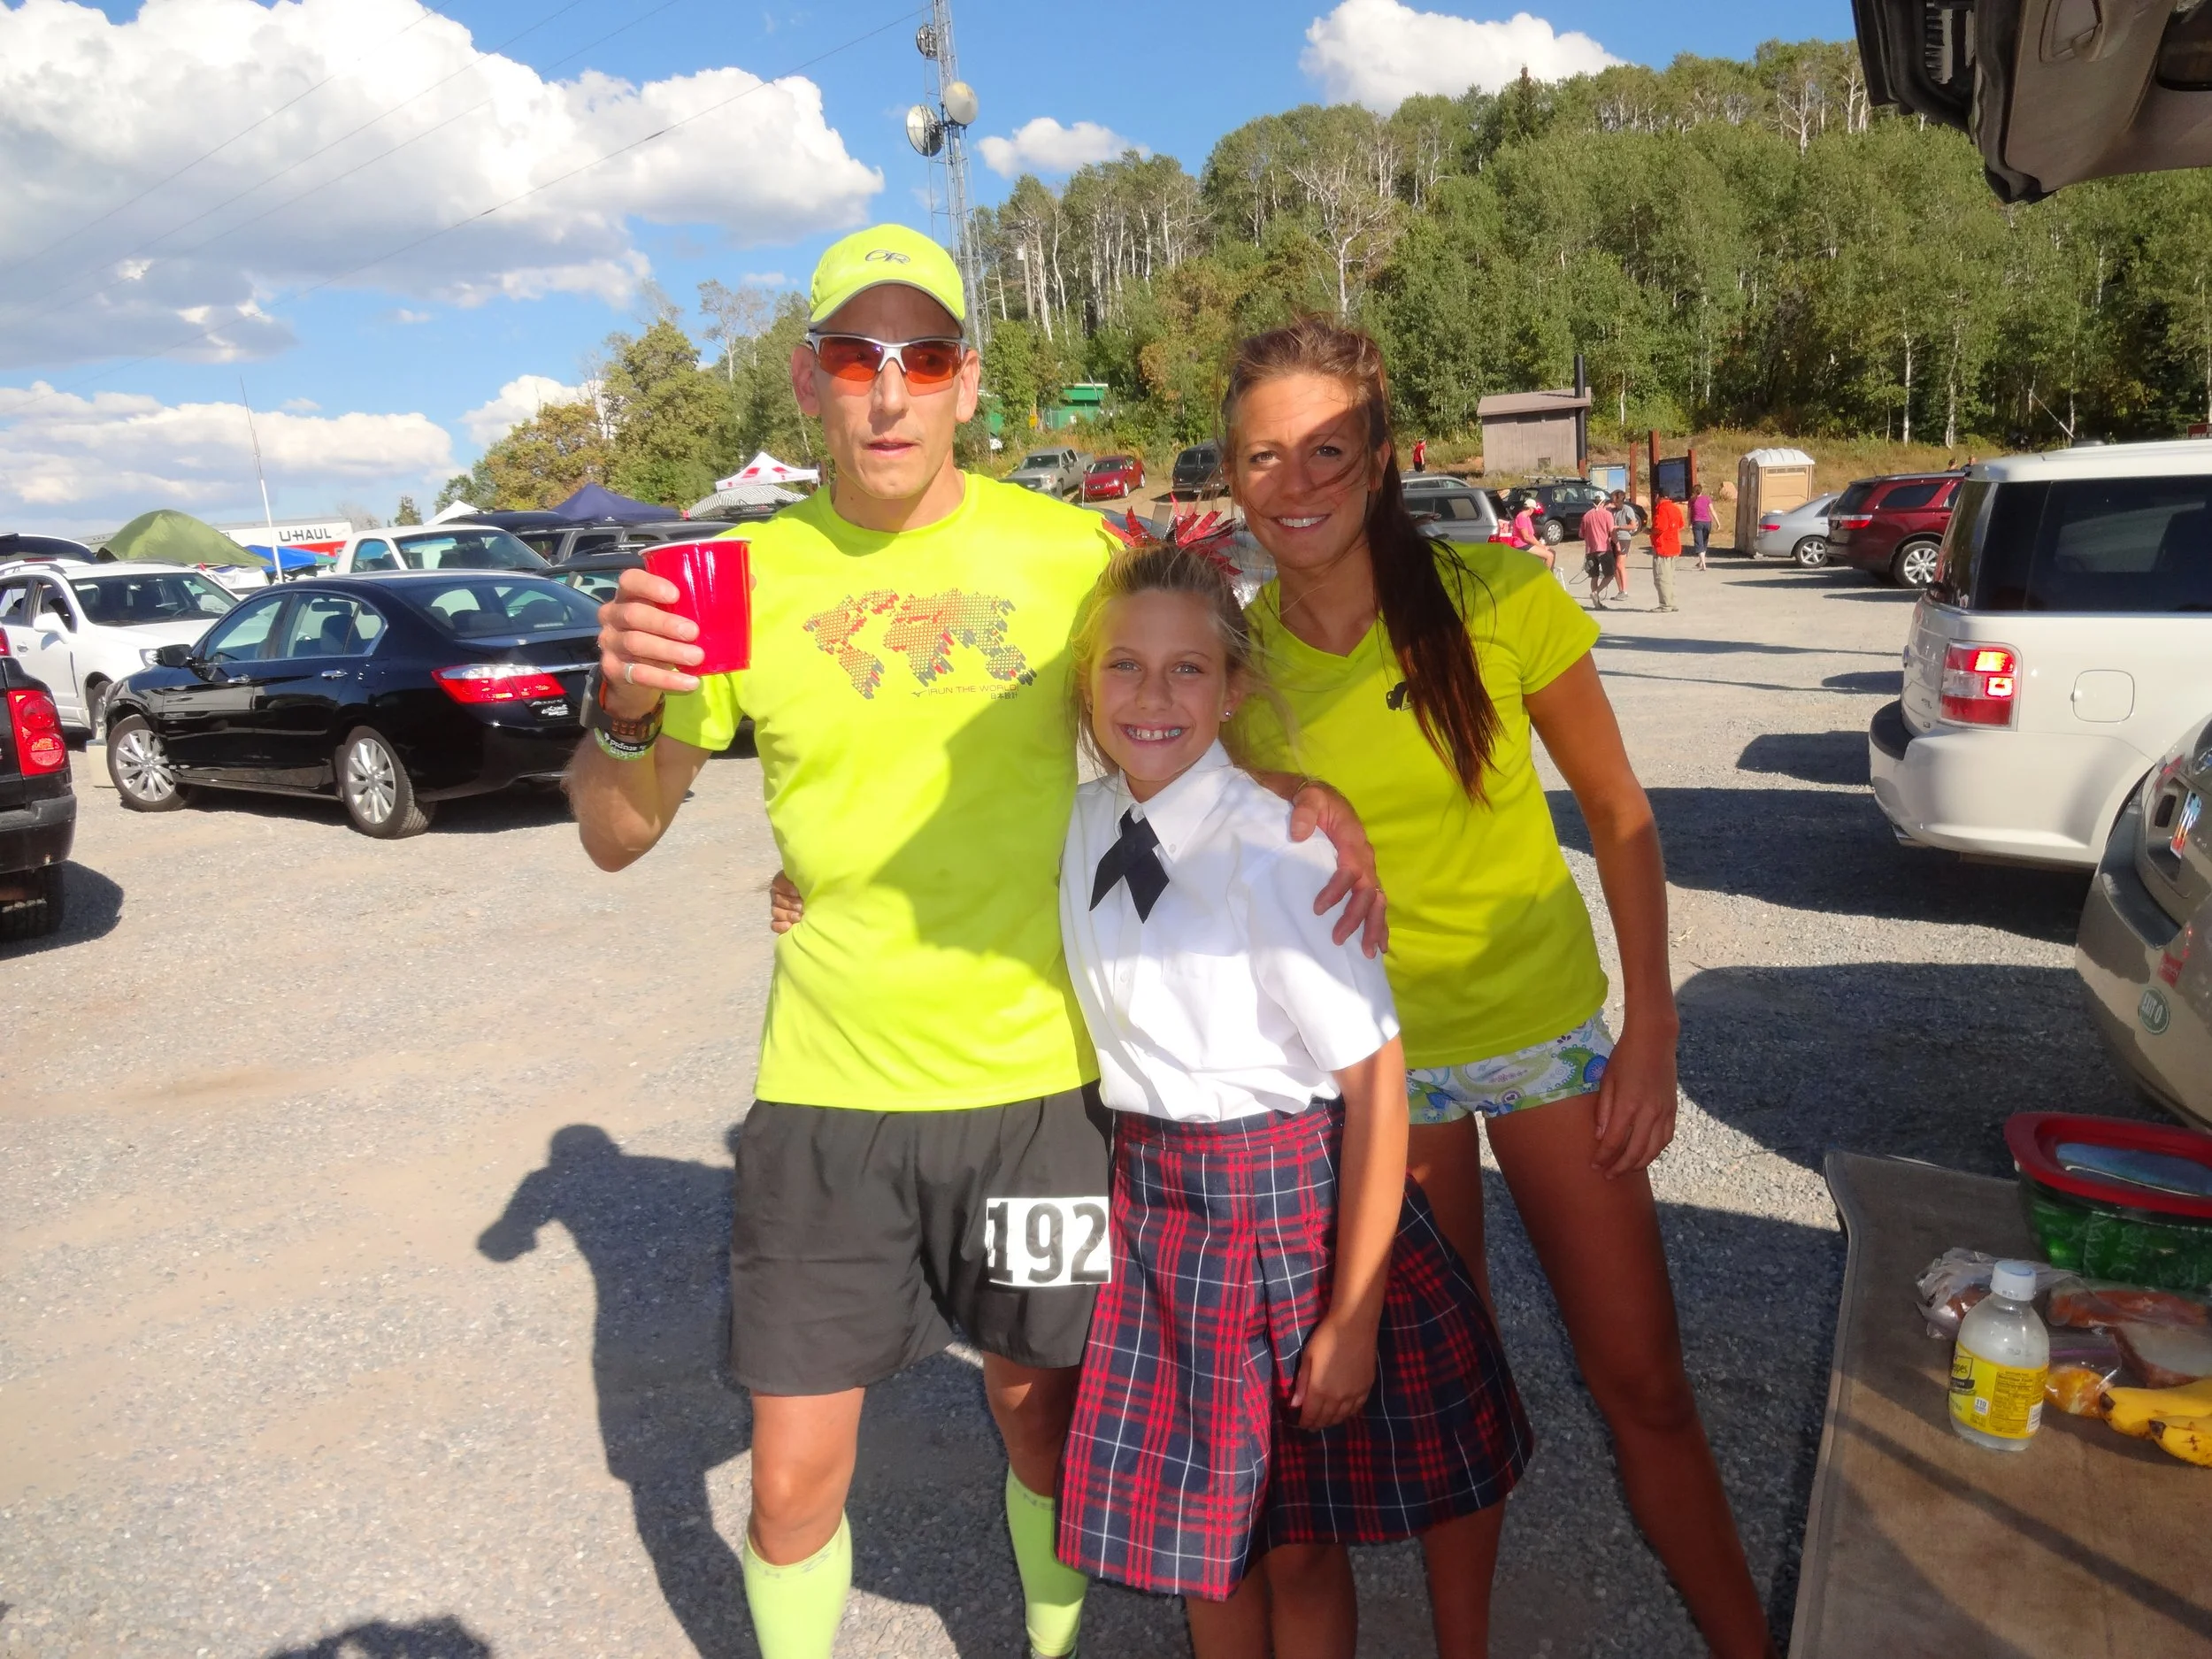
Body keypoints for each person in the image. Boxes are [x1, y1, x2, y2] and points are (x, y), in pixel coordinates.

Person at [570, 226, 1384, 1659]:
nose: (888, 391)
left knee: (1042, 1422)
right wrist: (622, 714)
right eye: (853, 357)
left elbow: (1183, 682)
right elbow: (616, 831)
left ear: (966, 382)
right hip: (827, 1100)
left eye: (922, 357)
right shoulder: (732, 580)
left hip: (1033, 1100)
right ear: (808, 380)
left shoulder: (1069, 548)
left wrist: (1299, 787)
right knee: (790, 1477)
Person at [1222, 316, 1776, 1659]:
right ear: (1229, 474)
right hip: (1378, 1072)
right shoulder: (1234, 657)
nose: (1293, 485)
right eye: (1260, 457)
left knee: (1641, 1380)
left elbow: (1620, 809)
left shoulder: (1497, 600)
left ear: (1380, 459)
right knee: (1451, 1397)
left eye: (1325, 450)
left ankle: (1750, 1641)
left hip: (1538, 1035)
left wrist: (1652, 1027)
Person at [1053, 529, 1528, 1659]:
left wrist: (1352, 1317)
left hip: (1284, 1211)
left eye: (1186, 670)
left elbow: (1375, 1080)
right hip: (1157, 1211)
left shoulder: (1283, 849)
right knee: (1203, 1540)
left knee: (1300, 1541)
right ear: (1085, 684)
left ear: (1232, 687)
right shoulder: (1073, 826)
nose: (1152, 695)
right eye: (1122, 666)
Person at [1577, 491, 1616, 610]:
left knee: (1594, 576)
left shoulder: (1587, 515)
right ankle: (1596, 593)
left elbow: (1581, 534)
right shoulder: (1607, 515)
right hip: (1604, 548)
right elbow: (1612, 531)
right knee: (1610, 574)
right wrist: (1617, 545)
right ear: (1603, 502)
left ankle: (1597, 603)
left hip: (1590, 549)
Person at [1649, 488, 1686, 612]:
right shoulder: (1675, 508)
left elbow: (1660, 527)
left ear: (1658, 496)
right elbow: (1681, 525)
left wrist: (1649, 531)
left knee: (1661, 577)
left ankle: (1665, 605)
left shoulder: (1662, 509)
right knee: (1670, 577)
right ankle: (1671, 602)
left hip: (1663, 547)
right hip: (1674, 546)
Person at [1509, 495, 1553, 572]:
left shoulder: (1527, 517)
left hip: (1527, 543)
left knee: (1551, 551)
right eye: (1533, 509)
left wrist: (1540, 545)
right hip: (1521, 545)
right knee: (1549, 556)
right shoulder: (1521, 517)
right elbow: (1526, 537)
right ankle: (1544, 577)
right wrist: (1540, 546)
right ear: (1530, 509)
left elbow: (1531, 536)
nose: (1533, 511)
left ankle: (1544, 573)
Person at [1690, 485, 1715, 569]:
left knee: (1699, 542)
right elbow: (1712, 510)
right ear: (1702, 490)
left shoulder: (1692, 500)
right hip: (1707, 522)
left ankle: (1703, 564)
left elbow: (1689, 514)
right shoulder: (1707, 499)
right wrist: (1718, 522)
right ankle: (1701, 562)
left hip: (1697, 522)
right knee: (1704, 542)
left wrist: (1689, 523)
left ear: (1694, 491)